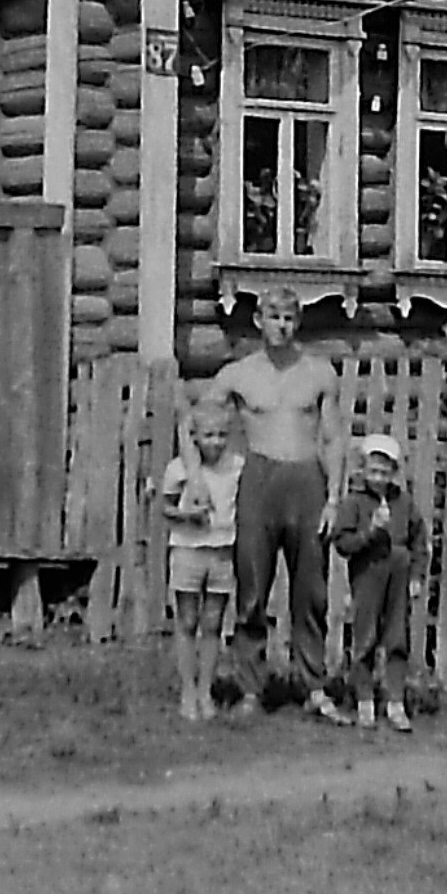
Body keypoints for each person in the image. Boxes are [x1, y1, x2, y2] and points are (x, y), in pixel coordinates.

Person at [212, 286, 345, 719]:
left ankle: (314, 687)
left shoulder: (319, 373)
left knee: (311, 592)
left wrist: (334, 497)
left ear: (298, 323)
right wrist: (201, 475)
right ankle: (250, 688)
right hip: (259, 477)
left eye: (289, 318)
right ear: (258, 321)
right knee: (251, 587)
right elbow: (197, 419)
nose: (281, 326)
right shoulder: (238, 374)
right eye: (273, 316)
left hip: (306, 478)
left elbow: (331, 437)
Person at [156, 394, 244, 723]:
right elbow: (164, 508)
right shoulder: (179, 469)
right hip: (188, 550)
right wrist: (186, 514)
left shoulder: (236, 467)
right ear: (194, 438)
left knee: (213, 624)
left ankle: (207, 691)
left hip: (222, 551)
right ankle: (187, 691)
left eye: (222, 435)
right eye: (209, 436)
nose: (216, 442)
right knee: (187, 621)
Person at [331, 432, 424, 732]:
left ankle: (396, 701)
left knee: (397, 637)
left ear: (394, 473)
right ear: (363, 470)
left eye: (385, 472)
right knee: (365, 636)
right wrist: (370, 532)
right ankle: (365, 701)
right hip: (367, 571)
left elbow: (419, 542)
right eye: (373, 471)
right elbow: (343, 544)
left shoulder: (404, 503)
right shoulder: (354, 502)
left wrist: (417, 576)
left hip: (398, 571)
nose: (379, 478)